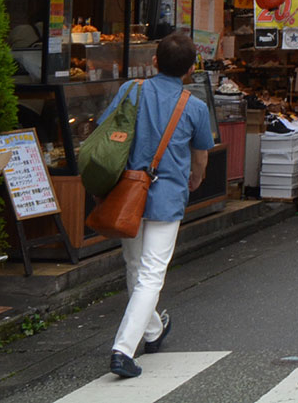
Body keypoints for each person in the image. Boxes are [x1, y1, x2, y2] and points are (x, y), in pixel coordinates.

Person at [104, 31, 215, 377]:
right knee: (151, 272)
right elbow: (200, 157)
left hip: (126, 192)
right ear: (190, 70)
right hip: (167, 195)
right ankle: (123, 349)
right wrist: (195, 179)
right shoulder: (194, 107)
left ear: (153, 61)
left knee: (135, 265)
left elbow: (105, 129)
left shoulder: (130, 90)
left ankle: (152, 331)